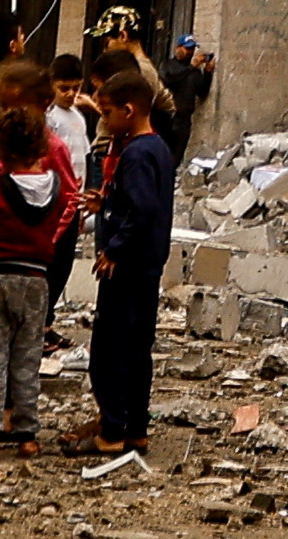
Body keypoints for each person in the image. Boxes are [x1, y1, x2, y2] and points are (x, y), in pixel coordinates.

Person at [0, 65, 74, 457]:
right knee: (27, 354)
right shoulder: (50, 180)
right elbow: (66, 202)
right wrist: (44, 244)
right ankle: (26, 433)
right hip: (36, 274)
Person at [80, 58, 173, 458]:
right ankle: (136, 428)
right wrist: (107, 201)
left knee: (111, 349)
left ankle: (112, 430)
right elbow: (139, 202)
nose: (104, 121)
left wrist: (114, 248)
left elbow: (143, 209)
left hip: (129, 265)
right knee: (138, 349)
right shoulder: (158, 149)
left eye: (106, 113)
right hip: (148, 265)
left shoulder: (136, 153)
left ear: (128, 110)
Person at [40, 54, 93, 346]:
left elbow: (82, 158)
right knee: (48, 264)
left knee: (63, 266)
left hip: (74, 203)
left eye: (76, 87)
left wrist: (83, 206)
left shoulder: (78, 117)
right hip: (53, 201)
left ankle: (47, 325)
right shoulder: (49, 117)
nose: (71, 94)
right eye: (64, 88)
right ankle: (38, 325)